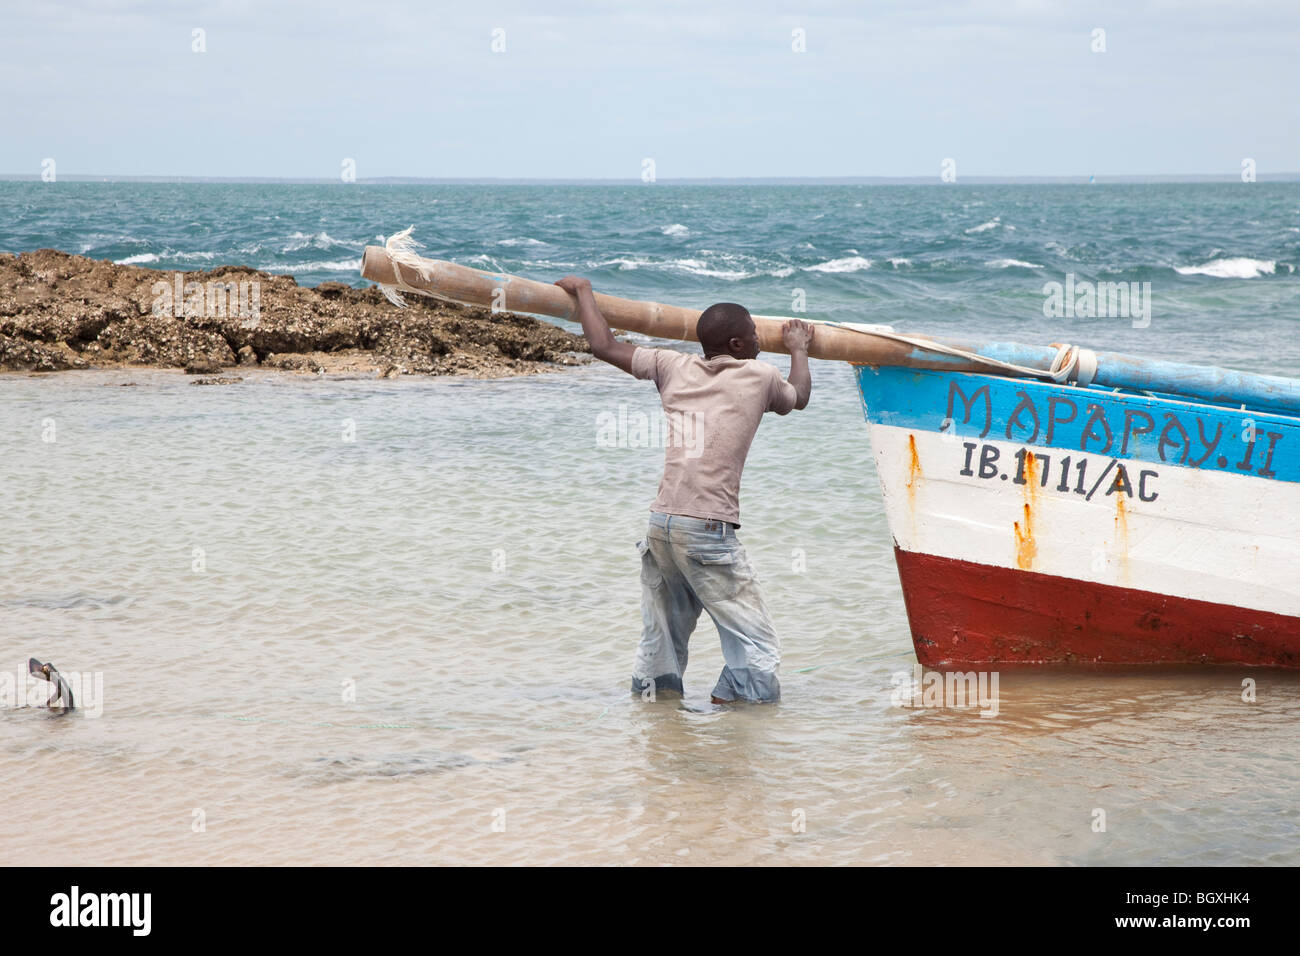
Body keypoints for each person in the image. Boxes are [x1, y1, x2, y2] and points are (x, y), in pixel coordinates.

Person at [554, 275, 814, 704]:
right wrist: (799, 348)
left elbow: (604, 346)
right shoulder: (760, 376)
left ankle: (659, 727)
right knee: (757, 646)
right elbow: (799, 396)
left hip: (662, 524)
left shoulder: (671, 366)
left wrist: (584, 292)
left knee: (662, 642)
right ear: (736, 345)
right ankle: (742, 728)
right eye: (753, 337)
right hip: (707, 529)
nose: (759, 344)